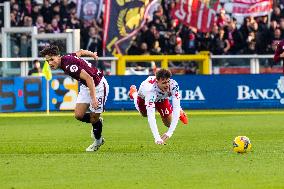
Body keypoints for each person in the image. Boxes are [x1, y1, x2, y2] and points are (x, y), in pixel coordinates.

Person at [40, 45, 109, 152]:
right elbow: (80, 52)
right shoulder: (66, 58)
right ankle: (97, 121)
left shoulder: (68, 66)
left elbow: (89, 78)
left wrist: (94, 98)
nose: (50, 63)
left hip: (98, 85)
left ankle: (98, 141)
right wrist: (92, 54)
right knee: (78, 115)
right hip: (86, 86)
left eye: (52, 60)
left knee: (93, 118)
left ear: (58, 57)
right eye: (47, 61)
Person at [129, 69, 188, 145]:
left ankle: (180, 111)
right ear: (157, 82)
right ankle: (133, 93)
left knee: (169, 124)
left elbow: (176, 106)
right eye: (164, 83)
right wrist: (157, 138)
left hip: (162, 99)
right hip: (143, 98)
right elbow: (151, 116)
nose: (167, 85)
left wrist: (169, 133)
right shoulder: (149, 90)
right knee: (144, 114)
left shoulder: (173, 85)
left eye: (168, 82)